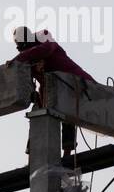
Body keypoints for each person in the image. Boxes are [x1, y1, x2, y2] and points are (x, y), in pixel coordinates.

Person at [7, 26, 94, 160]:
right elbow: (32, 83)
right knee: (38, 114)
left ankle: (67, 153)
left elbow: (46, 49)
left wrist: (18, 59)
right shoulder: (28, 58)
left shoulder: (43, 38)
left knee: (67, 112)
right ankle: (33, 156)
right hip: (51, 88)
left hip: (75, 82)